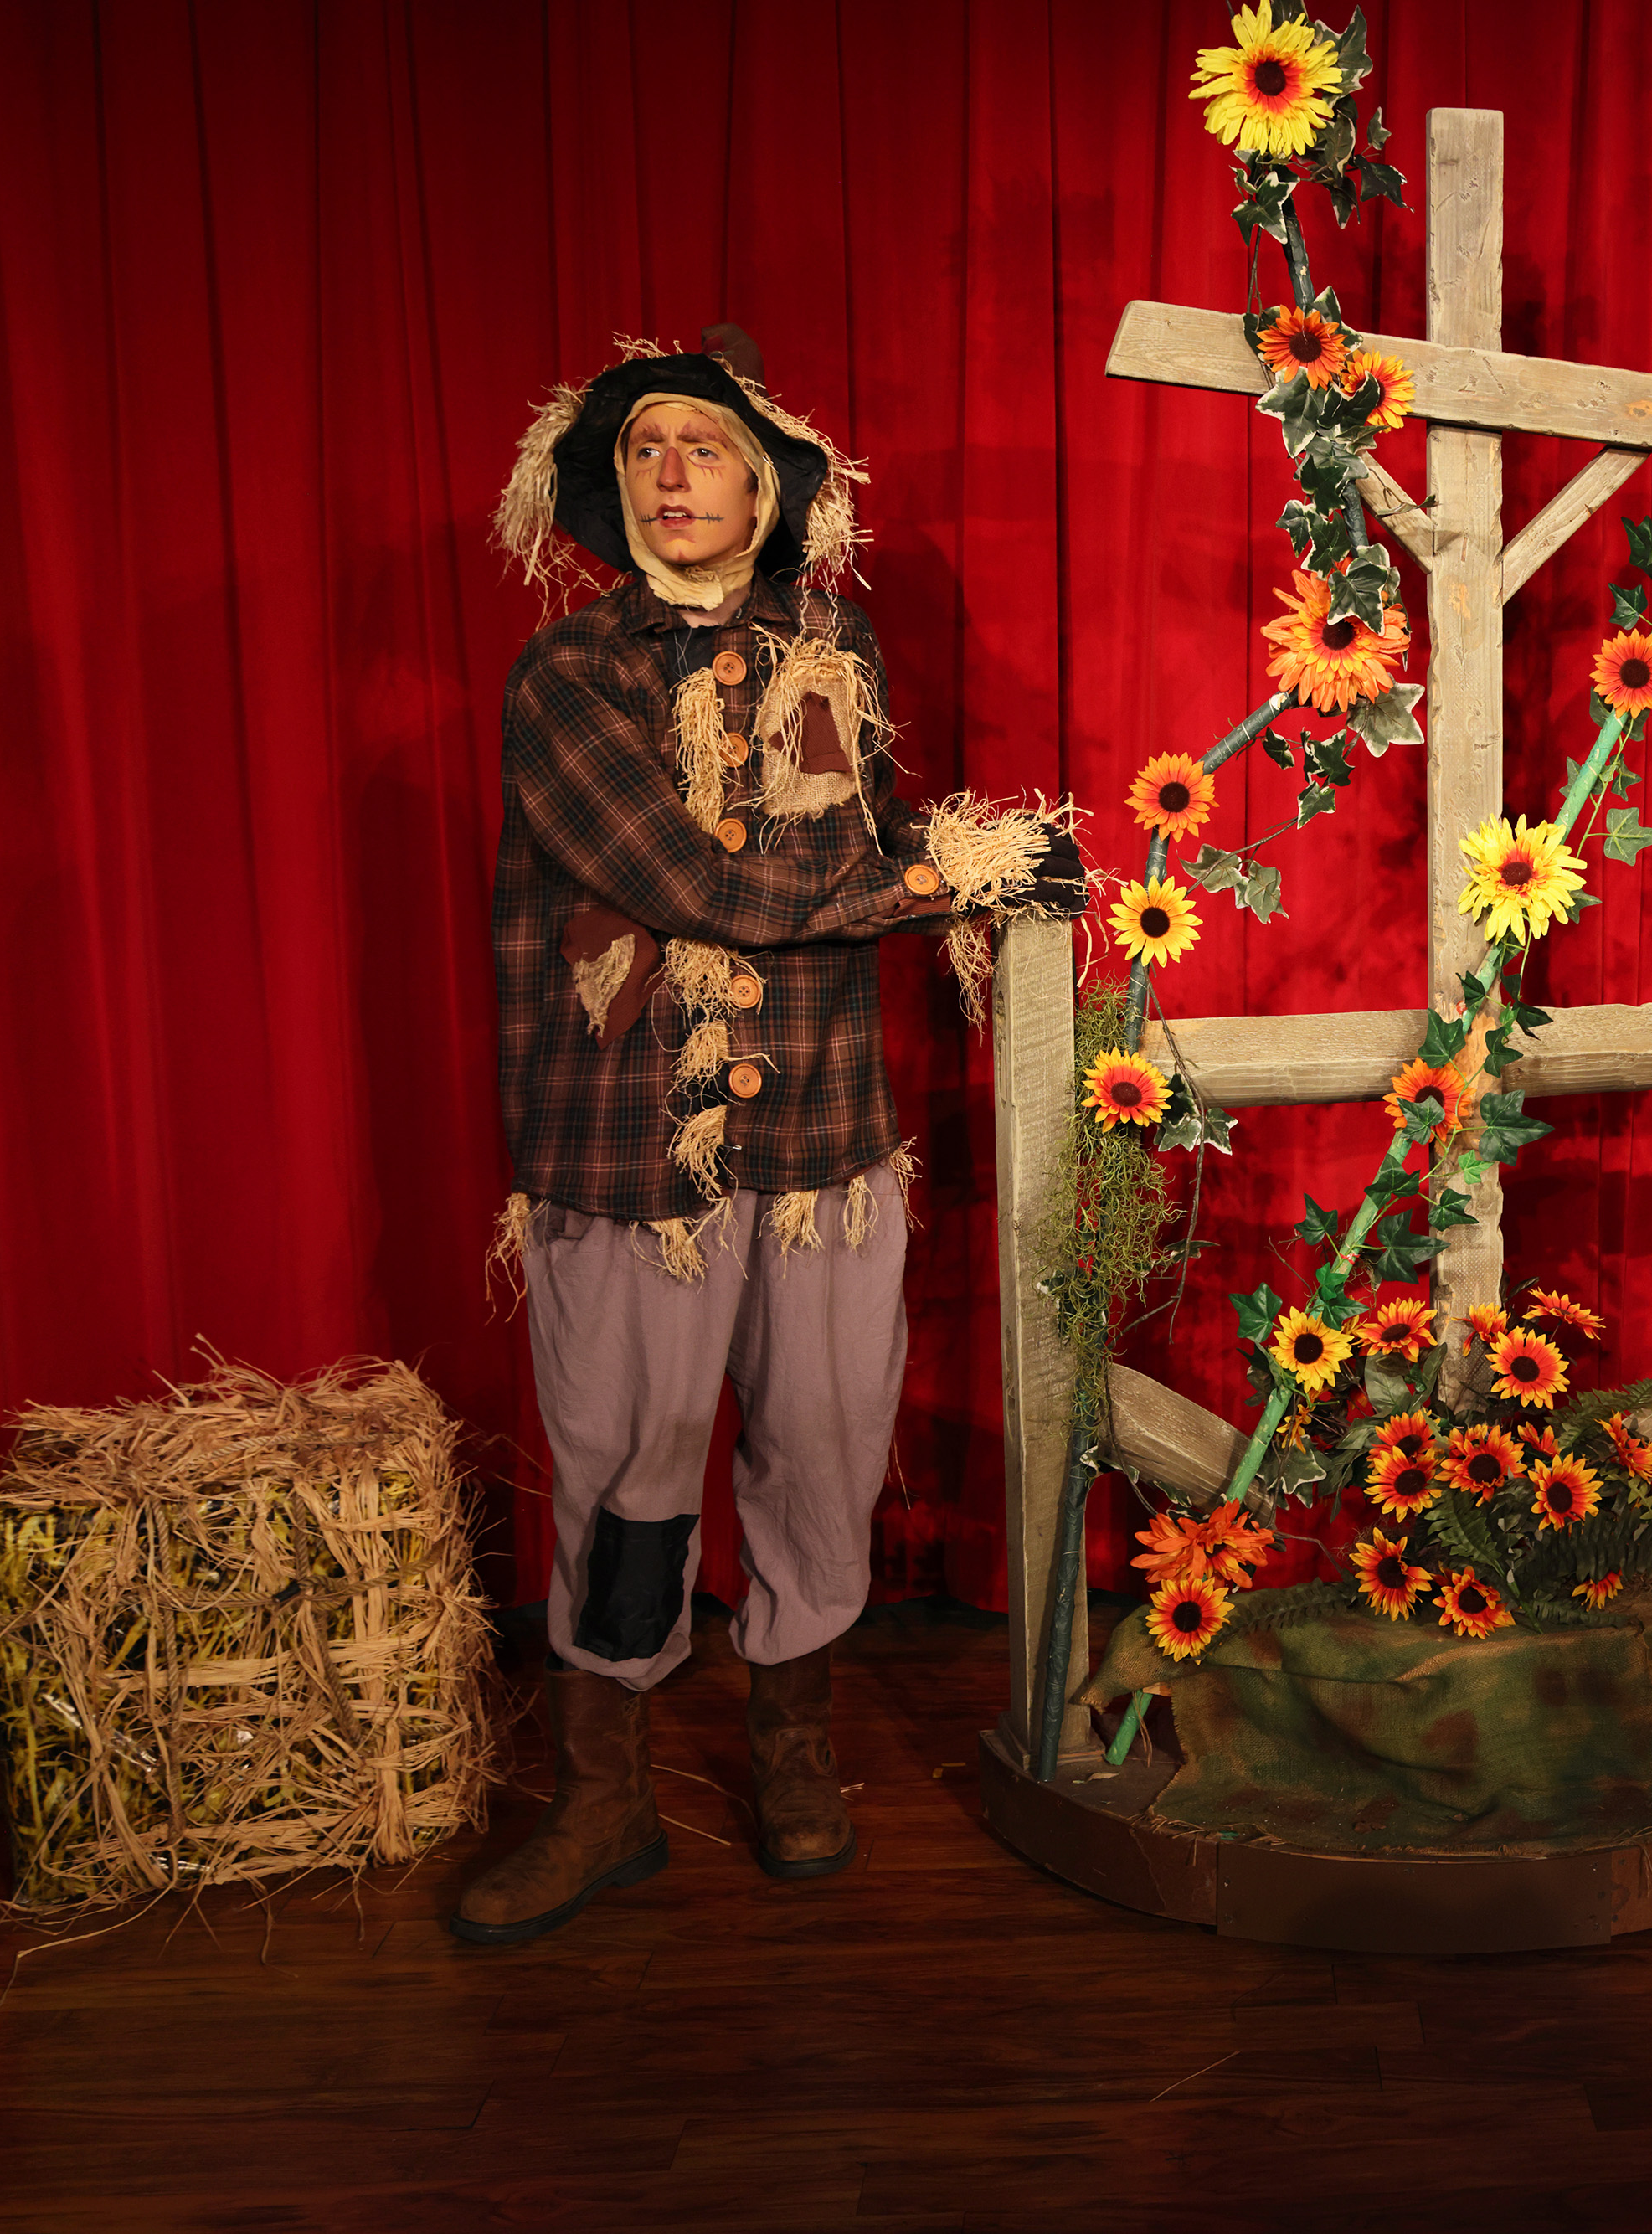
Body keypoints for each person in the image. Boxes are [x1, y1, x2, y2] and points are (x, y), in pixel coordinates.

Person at [457, 334, 1075, 1944]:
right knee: (630, 1464)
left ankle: (794, 1748)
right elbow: (692, 883)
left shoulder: (831, 652)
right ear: (613, 489)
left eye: (706, 447)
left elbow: (839, 840)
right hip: (628, 1149)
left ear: (765, 488)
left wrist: (979, 863)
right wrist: (926, 886)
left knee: (821, 1443)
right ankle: (605, 1799)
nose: (672, 473)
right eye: (645, 448)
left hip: (821, 1139)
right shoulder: (568, 676)